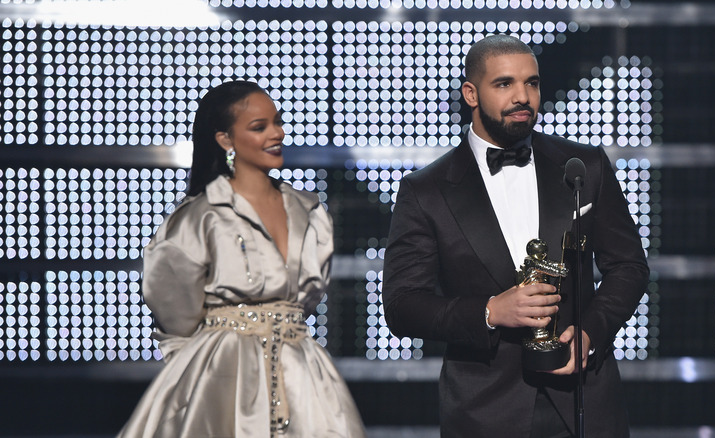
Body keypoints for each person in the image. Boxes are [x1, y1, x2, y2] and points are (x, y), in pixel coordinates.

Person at [383, 35, 649, 438]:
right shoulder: (426, 191)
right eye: (504, 84)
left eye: (533, 83)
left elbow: (628, 266)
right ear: (470, 93)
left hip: (585, 404)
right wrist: (489, 311)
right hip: (484, 410)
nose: (523, 96)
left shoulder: (584, 166)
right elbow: (403, 306)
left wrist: (591, 331)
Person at [118, 80, 365, 438]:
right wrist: (202, 365)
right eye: (259, 127)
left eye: (277, 122)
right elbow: (174, 308)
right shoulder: (201, 216)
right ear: (225, 139)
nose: (276, 133)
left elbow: (308, 297)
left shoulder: (308, 211)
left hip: (301, 370)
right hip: (221, 373)